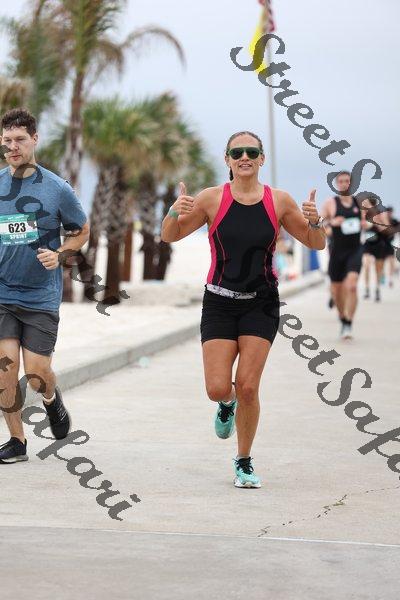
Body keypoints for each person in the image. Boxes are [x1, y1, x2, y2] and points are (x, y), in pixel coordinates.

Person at [161, 130, 326, 489]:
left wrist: (315, 221)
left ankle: (244, 460)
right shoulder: (211, 198)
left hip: (261, 303)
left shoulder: (279, 201)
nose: (245, 157)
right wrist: (174, 211)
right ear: (228, 160)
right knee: (217, 387)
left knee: (249, 387)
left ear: (262, 159)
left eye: (252, 152)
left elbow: (315, 242)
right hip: (219, 302)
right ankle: (227, 403)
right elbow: (169, 235)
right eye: (237, 153)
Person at [0, 108, 89, 464]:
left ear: (35, 139)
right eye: (7, 140)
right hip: (3, 294)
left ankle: (51, 399)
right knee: (5, 370)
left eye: (20, 140)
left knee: (36, 375)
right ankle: (17, 440)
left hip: (40, 296)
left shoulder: (57, 189)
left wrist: (61, 253)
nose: (13, 147)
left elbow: (81, 230)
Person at [321, 171, 365, 339]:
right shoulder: (330, 203)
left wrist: (365, 224)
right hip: (337, 251)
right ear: (336, 184)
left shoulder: (359, 202)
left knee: (352, 286)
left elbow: (368, 222)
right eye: (341, 181)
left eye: (347, 181)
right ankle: (342, 317)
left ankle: (349, 322)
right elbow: (319, 224)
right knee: (336, 291)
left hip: (355, 250)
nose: (344, 184)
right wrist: (332, 222)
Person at [362, 204, 392, 301]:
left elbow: (388, 230)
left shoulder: (382, 215)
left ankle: (377, 289)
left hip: (379, 244)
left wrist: (376, 223)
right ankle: (367, 289)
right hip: (368, 244)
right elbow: (362, 227)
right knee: (366, 265)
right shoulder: (365, 216)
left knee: (378, 269)